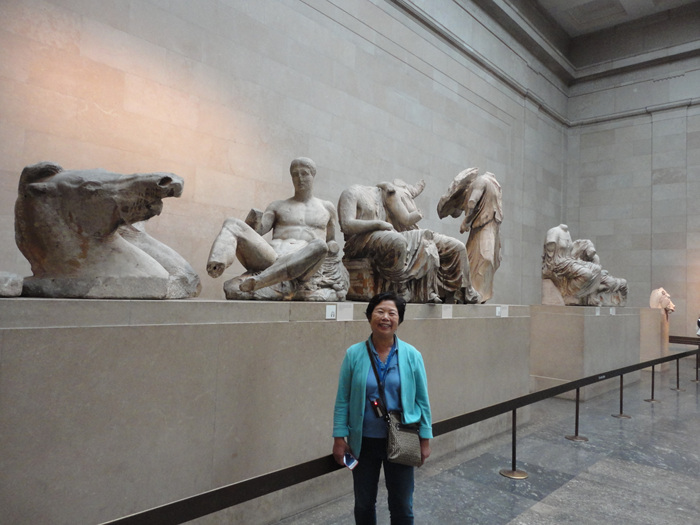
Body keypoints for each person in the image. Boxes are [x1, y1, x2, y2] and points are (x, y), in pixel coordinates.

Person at [332, 291, 432, 524]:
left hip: (402, 438)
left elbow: (422, 400)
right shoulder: (354, 354)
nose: (385, 317)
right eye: (380, 311)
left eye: (392, 313)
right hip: (363, 442)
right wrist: (339, 437)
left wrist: (425, 440)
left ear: (399, 320)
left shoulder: (412, 355)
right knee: (364, 503)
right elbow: (342, 399)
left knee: (402, 504)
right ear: (370, 317)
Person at [207, 157, 348, 300]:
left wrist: (333, 253)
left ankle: (261, 281)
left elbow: (331, 241)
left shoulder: (326, 207)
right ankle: (217, 264)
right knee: (232, 223)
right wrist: (253, 221)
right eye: (295, 174)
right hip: (272, 258)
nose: (300, 178)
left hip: (302, 266)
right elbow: (258, 232)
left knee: (320, 245)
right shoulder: (278, 206)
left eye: (304, 173)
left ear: (313, 175)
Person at [337, 180, 479, 303]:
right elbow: (346, 224)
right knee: (398, 241)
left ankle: (462, 291)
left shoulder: (388, 196)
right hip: (361, 241)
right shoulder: (352, 193)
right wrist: (378, 224)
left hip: (387, 233)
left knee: (452, 245)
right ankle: (401, 287)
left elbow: (406, 219)